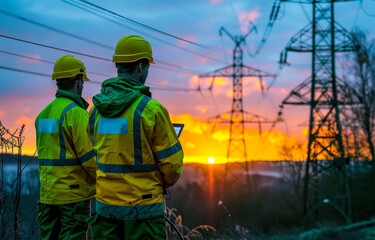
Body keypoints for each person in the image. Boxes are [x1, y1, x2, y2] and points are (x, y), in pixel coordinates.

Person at [89, 35, 183, 239]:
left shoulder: (95, 111)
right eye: (148, 65)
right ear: (141, 67)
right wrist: (166, 182)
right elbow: (172, 166)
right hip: (144, 212)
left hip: (105, 210)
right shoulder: (151, 110)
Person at [35, 55, 96, 240]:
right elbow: (90, 159)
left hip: (48, 196)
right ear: (78, 82)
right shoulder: (76, 114)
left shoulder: (43, 114)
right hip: (73, 197)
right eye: (82, 81)